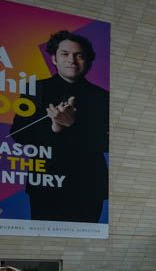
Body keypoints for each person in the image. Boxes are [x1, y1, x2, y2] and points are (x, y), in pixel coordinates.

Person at [8, 30, 110, 224]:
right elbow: (18, 134)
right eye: (65, 54)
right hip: (46, 183)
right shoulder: (35, 88)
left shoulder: (103, 97)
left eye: (79, 55)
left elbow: (110, 142)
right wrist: (55, 127)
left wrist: (72, 125)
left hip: (88, 185)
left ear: (88, 61)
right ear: (54, 59)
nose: (72, 60)